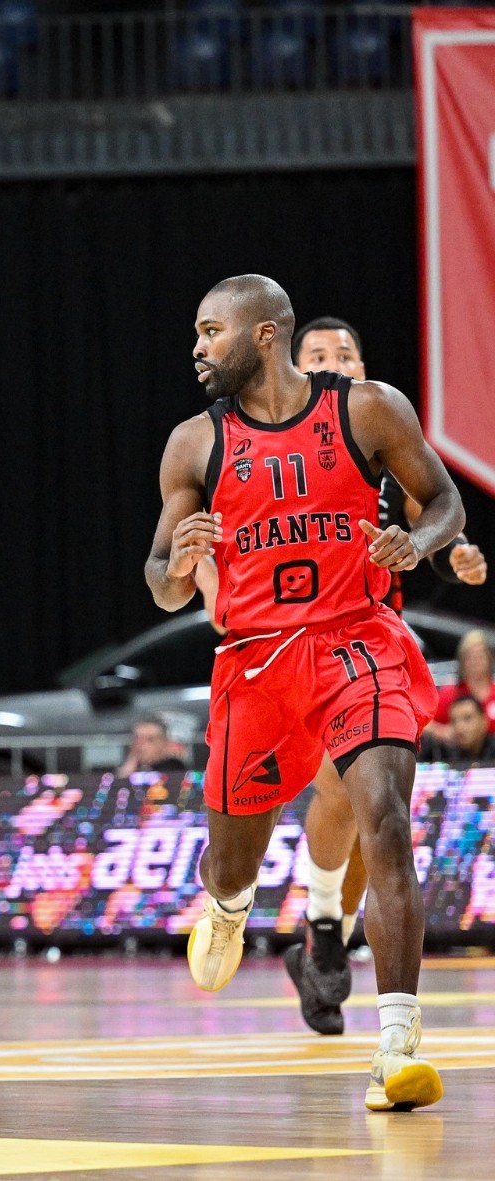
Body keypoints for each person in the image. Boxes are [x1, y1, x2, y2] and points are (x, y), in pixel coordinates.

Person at [146, 275, 463, 1111]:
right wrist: (178, 565)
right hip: (255, 662)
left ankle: (396, 1046)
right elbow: (161, 581)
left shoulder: (368, 409)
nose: (197, 348)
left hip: (357, 640)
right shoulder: (194, 443)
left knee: (385, 821)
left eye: (210, 331)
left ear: (263, 334)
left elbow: (445, 502)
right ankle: (229, 904)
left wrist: (416, 540)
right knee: (233, 860)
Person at [264, 318, 484, 1037]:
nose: (334, 363)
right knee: (341, 793)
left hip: (371, 642)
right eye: (318, 355)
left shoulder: (382, 437)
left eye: (346, 354)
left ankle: (326, 928)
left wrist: (449, 550)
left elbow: (435, 510)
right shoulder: (262, 443)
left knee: (373, 805)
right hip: (289, 643)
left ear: (364, 366)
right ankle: (325, 919)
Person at [428, 629, 495, 738]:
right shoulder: (450, 693)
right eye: (470, 657)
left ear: (489, 659)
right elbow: (425, 722)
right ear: (462, 661)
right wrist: (442, 732)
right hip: (457, 748)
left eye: (480, 656)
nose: (475, 662)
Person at [419, 694, 495, 764]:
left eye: (467, 718)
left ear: (484, 721)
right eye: (454, 721)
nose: (459, 727)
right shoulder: (443, 754)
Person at [115, 714, 189, 776]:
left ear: (163, 744)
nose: (140, 744)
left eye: (149, 740)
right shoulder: (129, 767)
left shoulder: (173, 768)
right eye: (136, 738)